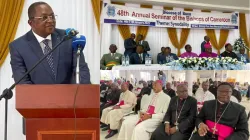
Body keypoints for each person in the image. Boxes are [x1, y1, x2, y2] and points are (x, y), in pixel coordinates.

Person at [9, 2, 90, 135]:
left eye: (52, 16)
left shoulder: (68, 37)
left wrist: (78, 100)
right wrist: (46, 103)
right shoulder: (18, 46)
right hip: (38, 113)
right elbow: (22, 81)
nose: (50, 21)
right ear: (31, 22)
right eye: (44, 17)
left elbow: (81, 70)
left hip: (71, 109)